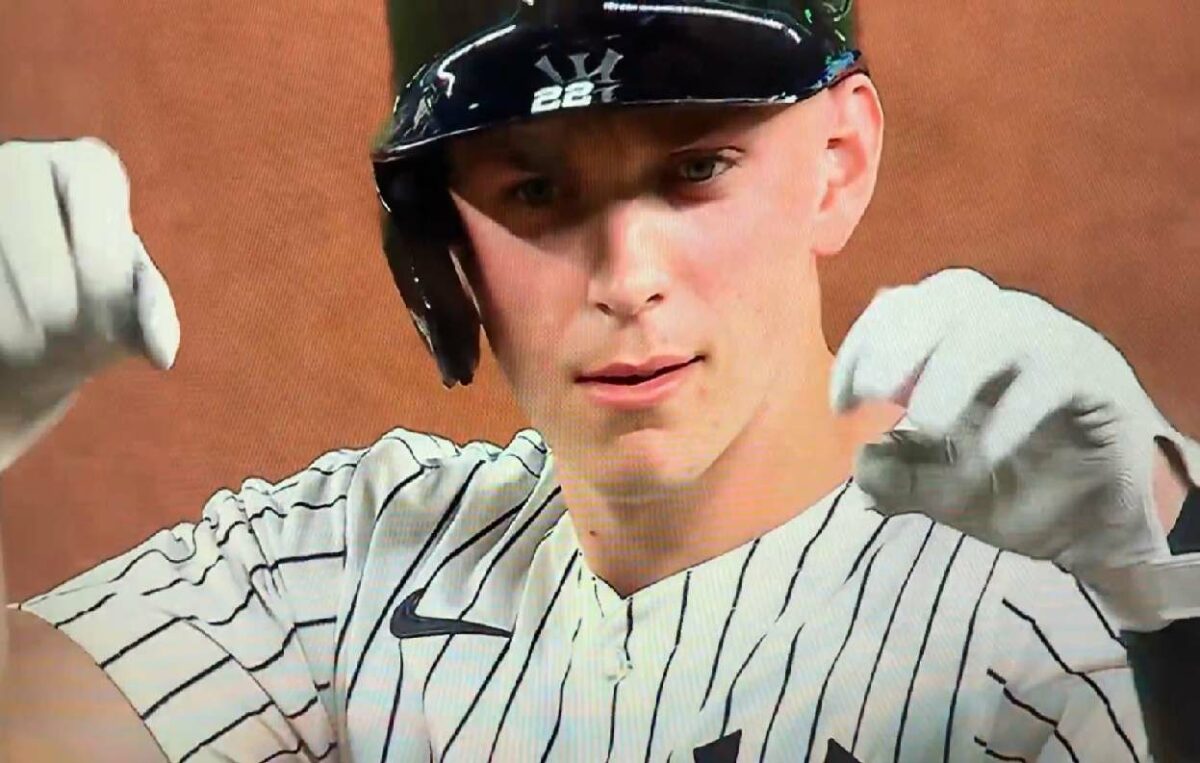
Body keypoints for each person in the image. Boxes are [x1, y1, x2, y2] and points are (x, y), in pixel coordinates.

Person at [1, 1, 1198, 761]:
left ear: (838, 163)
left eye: (693, 170)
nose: (626, 276)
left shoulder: (1052, 605)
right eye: (536, 192)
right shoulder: (344, 563)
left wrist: (1177, 586)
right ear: (440, 246)